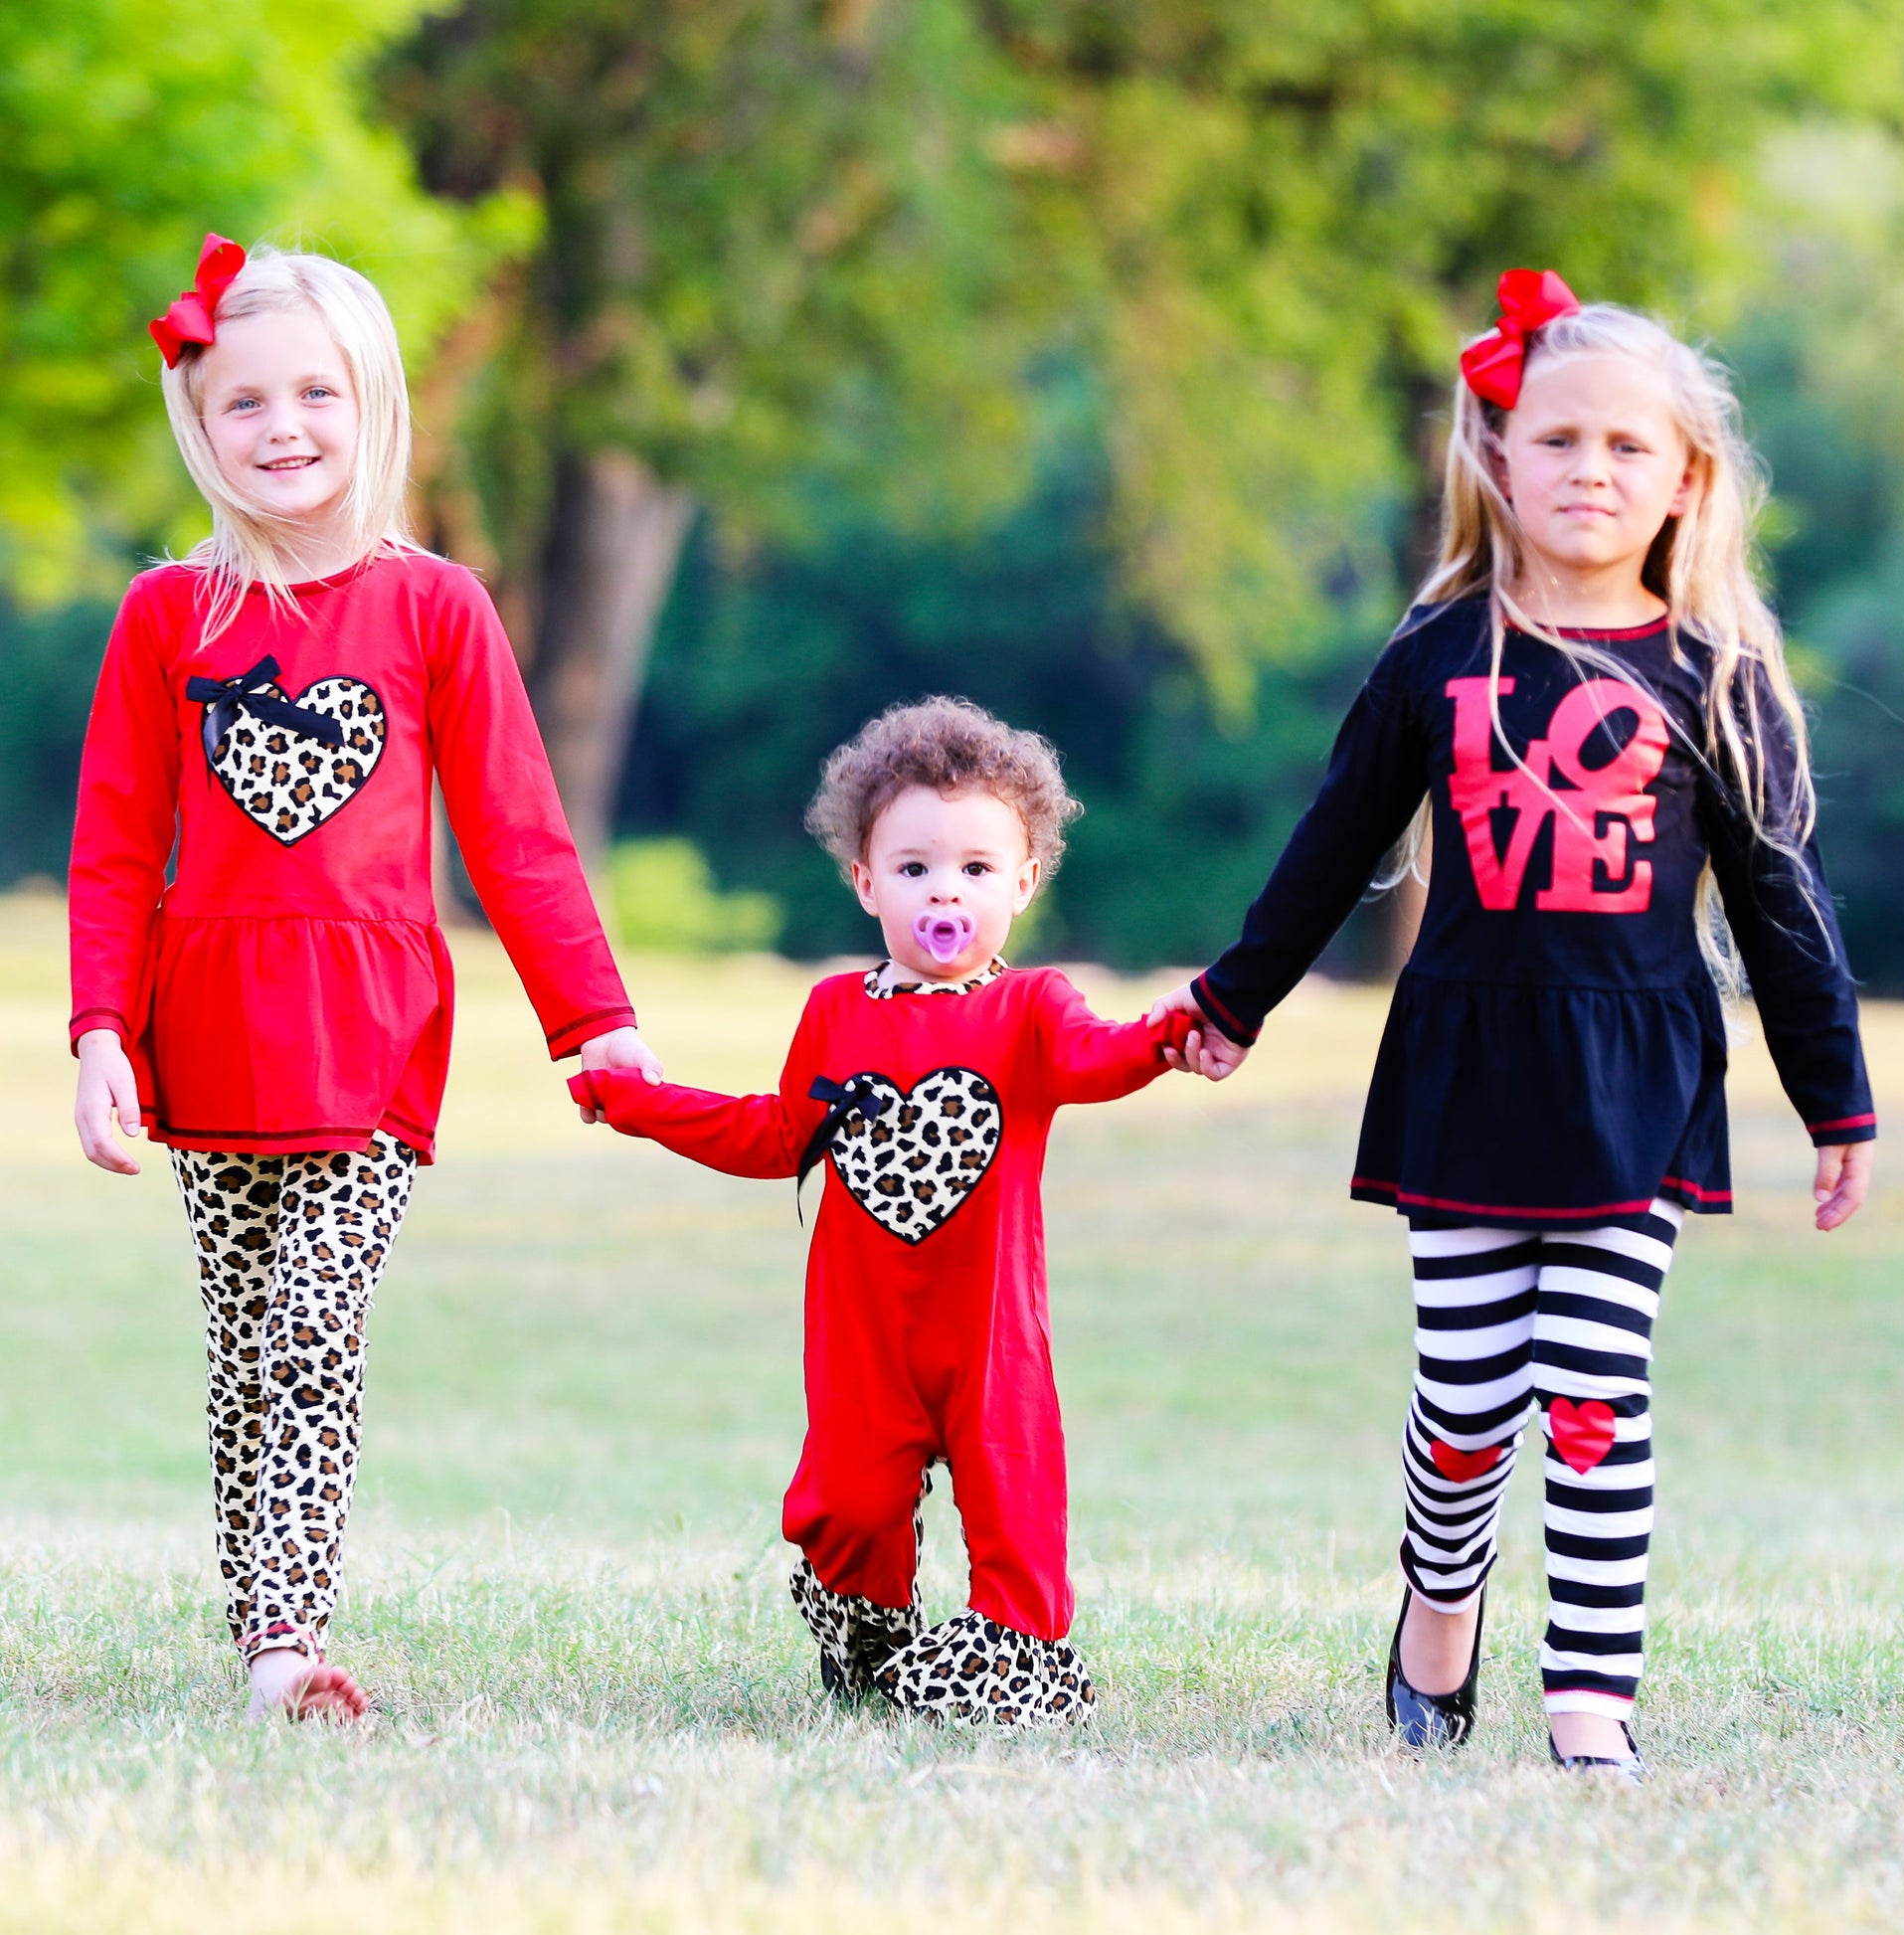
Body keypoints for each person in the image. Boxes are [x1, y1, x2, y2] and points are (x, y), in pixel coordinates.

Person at [1154, 270, 1875, 1781]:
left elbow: (1781, 901)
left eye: (1624, 445)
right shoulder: (1436, 654)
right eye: (1555, 439)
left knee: (1595, 1394)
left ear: (1685, 478)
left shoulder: (1716, 679)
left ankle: (1588, 1696)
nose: (1587, 470)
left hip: (1633, 1079)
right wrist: (1235, 997)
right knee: (1469, 1404)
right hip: (1466, 1071)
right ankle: (1439, 1598)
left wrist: (1836, 1103)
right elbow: (1332, 843)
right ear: (1493, 457)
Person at [68, 235, 657, 1722]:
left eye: (314, 393)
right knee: (244, 1342)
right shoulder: (167, 614)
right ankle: (263, 1630)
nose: (282, 427)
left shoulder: (436, 606)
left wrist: (593, 1021)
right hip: (209, 1030)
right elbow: (116, 846)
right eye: (245, 401)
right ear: (200, 423)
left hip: (371, 1034)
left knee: (314, 1324)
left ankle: (289, 1638)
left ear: (373, 401)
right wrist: (99, 1033)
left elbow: (518, 834)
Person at [573, 698, 1185, 1725]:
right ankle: (869, 1646)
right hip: (865, 1331)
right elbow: (777, 1134)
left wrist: (1167, 1035)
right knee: (850, 1506)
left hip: (989, 1333)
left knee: (1014, 1504)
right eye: (913, 868)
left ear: (1025, 881)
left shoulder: (1033, 1008)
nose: (945, 890)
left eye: (976, 868)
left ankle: (1010, 1662)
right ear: (865, 881)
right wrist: (641, 1103)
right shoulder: (834, 1013)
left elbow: (1097, 1058)